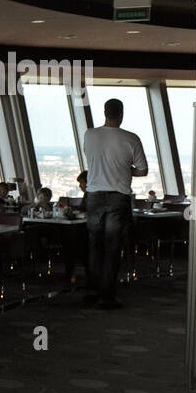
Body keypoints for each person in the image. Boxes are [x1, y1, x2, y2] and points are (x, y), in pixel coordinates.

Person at [82, 98, 148, 308]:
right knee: (112, 247)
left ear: (104, 112)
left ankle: (92, 290)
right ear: (121, 114)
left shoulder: (90, 135)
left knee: (94, 245)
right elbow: (143, 170)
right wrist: (125, 169)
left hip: (93, 195)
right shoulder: (131, 138)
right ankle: (107, 296)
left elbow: (92, 159)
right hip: (118, 197)